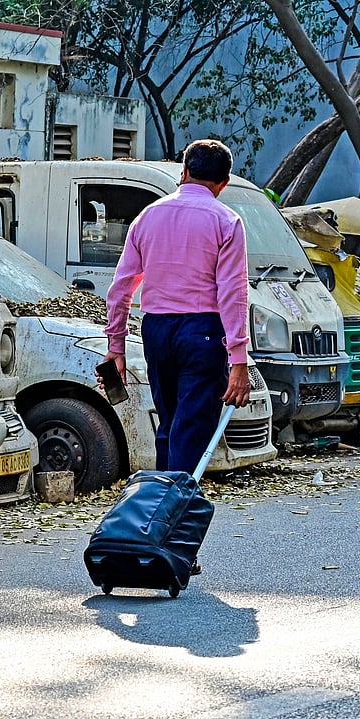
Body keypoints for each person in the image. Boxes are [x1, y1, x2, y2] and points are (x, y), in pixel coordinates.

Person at [102, 139, 251, 474]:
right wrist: (239, 359)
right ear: (224, 183)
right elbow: (233, 293)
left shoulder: (148, 216)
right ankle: (175, 502)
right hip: (203, 331)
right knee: (191, 429)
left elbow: (122, 286)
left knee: (169, 424)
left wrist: (116, 346)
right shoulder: (227, 221)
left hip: (157, 330)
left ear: (184, 172)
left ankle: (160, 499)